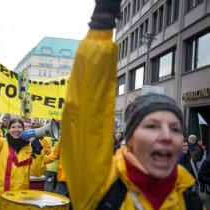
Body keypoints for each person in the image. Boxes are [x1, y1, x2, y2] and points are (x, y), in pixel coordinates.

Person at [59, 1, 204, 209]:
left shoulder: (191, 201)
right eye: (152, 126)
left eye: (175, 129)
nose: (166, 135)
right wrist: (103, 22)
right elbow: (87, 113)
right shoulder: (101, 187)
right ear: (130, 139)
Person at [0, 111, 45, 210]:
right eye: (13, 127)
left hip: (19, 197)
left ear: (23, 130)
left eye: (19, 127)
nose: (16, 130)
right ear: (8, 130)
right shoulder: (1, 143)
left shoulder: (31, 148)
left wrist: (38, 153)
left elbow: (37, 172)